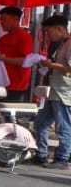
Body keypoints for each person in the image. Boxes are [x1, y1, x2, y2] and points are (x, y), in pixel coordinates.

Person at [34, 14, 71, 170]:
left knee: (63, 126)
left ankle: (62, 158)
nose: (48, 36)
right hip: (54, 91)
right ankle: (41, 154)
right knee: (41, 123)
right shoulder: (63, 44)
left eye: (49, 32)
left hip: (63, 92)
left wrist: (50, 65)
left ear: (60, 29)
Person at [0, 6, 35, 100]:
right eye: (0, 20)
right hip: (0, 83)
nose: (1, 23)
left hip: (16, 86)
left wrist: (4, 59)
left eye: (4, 19)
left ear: (15, 19)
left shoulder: (24, 37)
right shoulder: (2, 39)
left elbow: (26, 61)